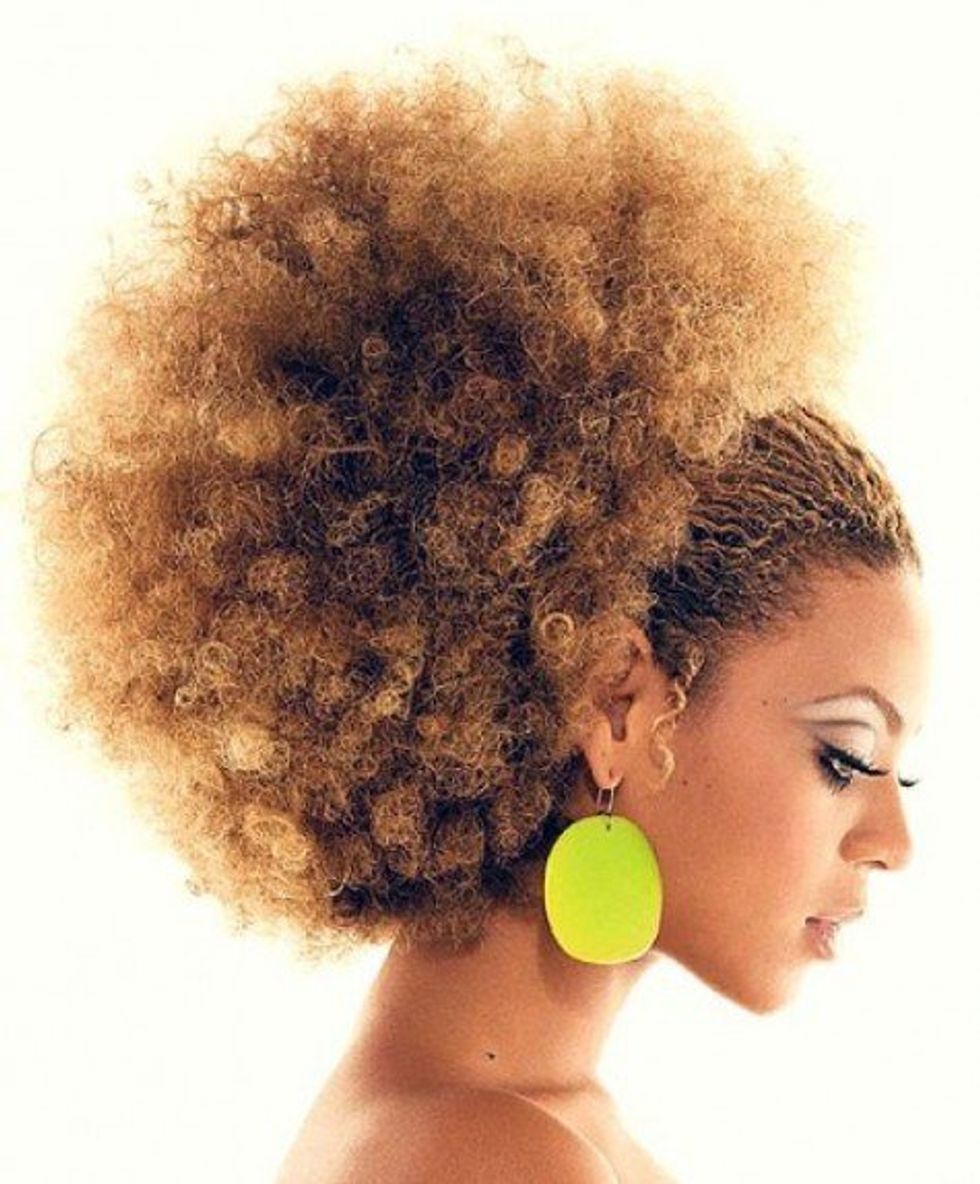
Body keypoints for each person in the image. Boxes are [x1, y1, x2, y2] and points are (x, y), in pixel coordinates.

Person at [24, 40, 932, 1184]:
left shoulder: (527, 1126)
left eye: (897, 771)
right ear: (618, 702)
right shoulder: (484, 1150)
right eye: (843, 755)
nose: (891, 840)